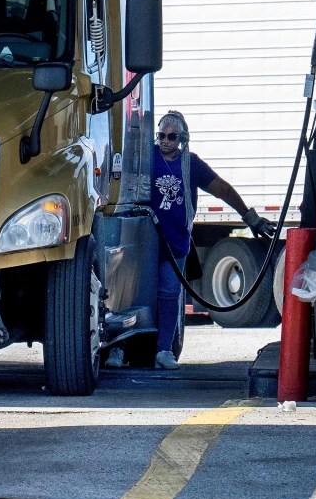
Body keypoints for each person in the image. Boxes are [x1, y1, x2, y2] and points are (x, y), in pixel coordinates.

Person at [109, 111, 276, 370]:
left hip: (175, 242)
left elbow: (222, 189)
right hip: (144, 243)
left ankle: (164, 351)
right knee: (128, 294)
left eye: (171, 137)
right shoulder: (146, 158)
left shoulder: (191, 164)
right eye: (161, 136)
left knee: (169, 295)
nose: (165, 141)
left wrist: (250, 217)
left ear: (183, 139)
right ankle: (117, 348)